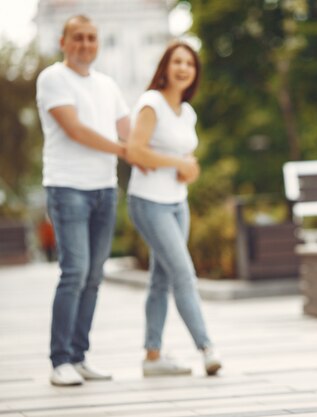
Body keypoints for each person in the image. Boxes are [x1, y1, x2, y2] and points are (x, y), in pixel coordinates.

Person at [36, 15, 130, 386]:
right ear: (63, 42)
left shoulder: (108, 85)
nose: (85, 44)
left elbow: (129, 130)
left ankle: (79, 355)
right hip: (67, 187)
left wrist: (161, 155)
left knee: (93, 276)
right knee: (74, 272)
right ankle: (60, 360)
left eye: (92, 38)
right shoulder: (52, 78)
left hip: (104, 188)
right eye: (78, 37)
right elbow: (75, 130)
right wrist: (125, 150)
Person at [125, 41, 221, 377]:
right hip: (148, 203)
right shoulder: (150, 103)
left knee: (160, 280)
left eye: (190, 64)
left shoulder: (187, 112)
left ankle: (152, 357)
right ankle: (207, 348)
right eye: (177, 61)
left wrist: (187, 167)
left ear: (195, 73)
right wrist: (177, 162)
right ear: (165, 67)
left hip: (177, 202)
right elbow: (135, 151)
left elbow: (184, 162)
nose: (183, 68)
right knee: (183, 273)